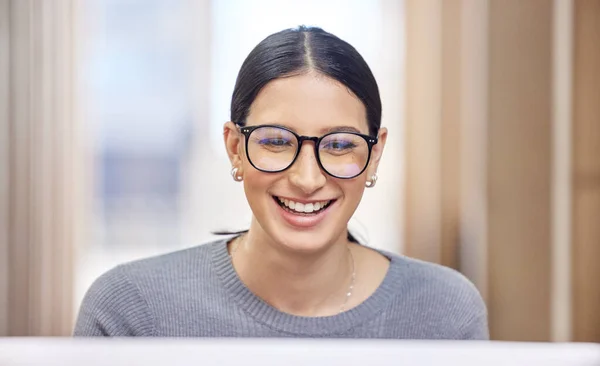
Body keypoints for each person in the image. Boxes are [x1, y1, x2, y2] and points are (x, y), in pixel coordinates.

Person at [74, 26, 489, 339]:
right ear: (235, 147)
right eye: (275, 141)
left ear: (374, 154)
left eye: (340, 144)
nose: (307, 179)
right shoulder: (131, 310)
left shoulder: (446, 312)